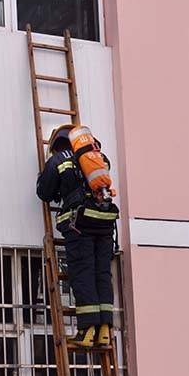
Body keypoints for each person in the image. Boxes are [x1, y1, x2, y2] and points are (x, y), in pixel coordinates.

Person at [36, 125, 119, 350]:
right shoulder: (99, 157)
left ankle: (87, 330)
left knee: (83, 273)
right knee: (102, 273)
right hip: (104, 223)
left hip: (80, 224)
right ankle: (104, 330)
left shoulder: (58, 160)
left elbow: (44, 193)